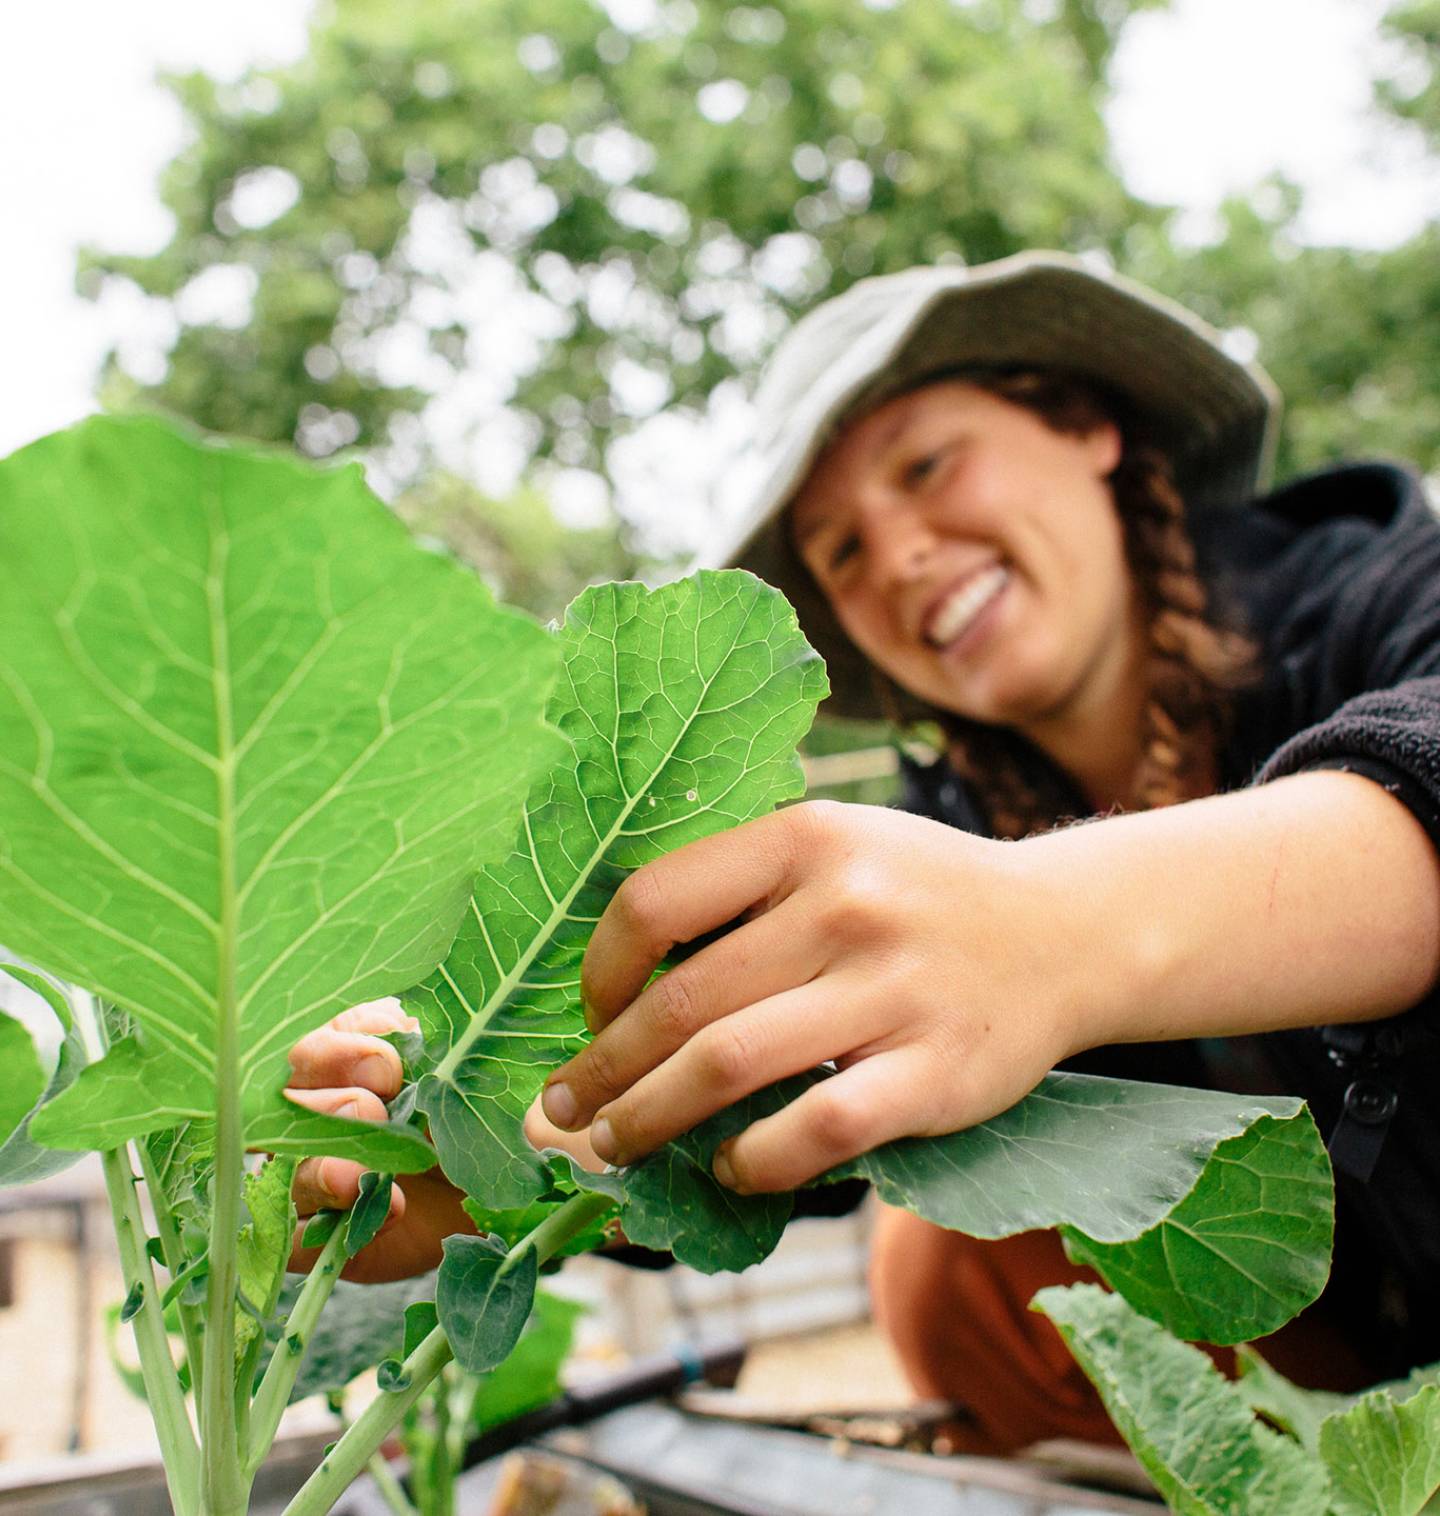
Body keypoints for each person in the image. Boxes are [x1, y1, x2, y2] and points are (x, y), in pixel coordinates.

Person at [287, 251, 1440, 1453]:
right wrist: (476, 1161)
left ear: (1089, 424)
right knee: (948, 1276)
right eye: (839, 551)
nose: (895, 555)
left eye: (928, 464)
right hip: (1363, 1368)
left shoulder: (1363, 586)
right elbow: (799, 1087)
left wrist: (1049, 925)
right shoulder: (946, 814)